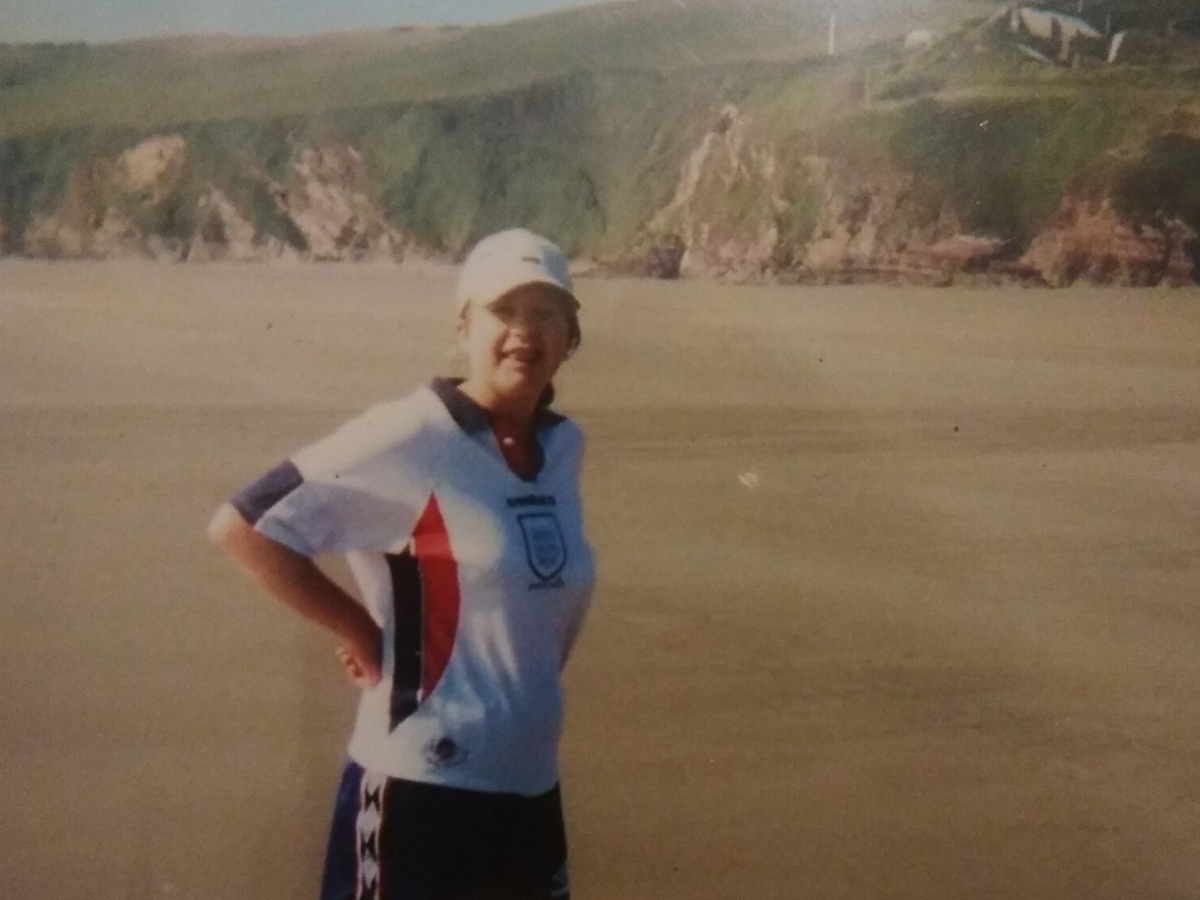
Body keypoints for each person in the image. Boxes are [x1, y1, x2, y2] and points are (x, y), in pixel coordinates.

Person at [207, 228, 595, 900]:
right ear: (463, 324)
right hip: (423, 791)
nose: (524, 333)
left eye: (546, 313)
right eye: (504, 312)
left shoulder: (562, 447)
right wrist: (358, 628)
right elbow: (245, 526)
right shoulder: (412, 434)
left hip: (529, 789)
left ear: (570, 335)